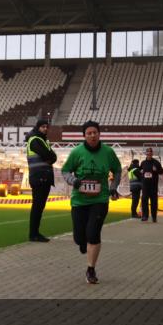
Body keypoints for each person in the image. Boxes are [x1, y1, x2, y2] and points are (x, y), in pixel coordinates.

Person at [61, 120, 122, 284]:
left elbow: (117, 170)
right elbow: (65, 170)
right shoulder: (77, 152)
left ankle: (91, 269)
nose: (93, 135)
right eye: (89, 133)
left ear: (99, 134)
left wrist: (113, 187)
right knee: (79, 237)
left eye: (95, 132)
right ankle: (82, 243)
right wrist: (73, 180)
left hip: (100, 200)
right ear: (84, 136)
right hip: (79, 201)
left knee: (93, 234)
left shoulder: (108, 152)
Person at [25, 118, 57, 242]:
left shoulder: (43, 140)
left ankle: (35, 233)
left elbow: (53, 157)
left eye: (46, 127)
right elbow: (48, 155)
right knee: (37, 207)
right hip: (39, 176)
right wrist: (50, 157)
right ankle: (33, 234)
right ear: (38, 127)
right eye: (43, 126)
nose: (45, 129)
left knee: (39, 207)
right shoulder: (35, 140)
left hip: (43, 177)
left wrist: (51, 157)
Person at [138, 147, 163, 223]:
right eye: (148, 152)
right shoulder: (143, 163)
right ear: (146, 153)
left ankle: (154, 217)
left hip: (153, 186)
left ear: (152, 153)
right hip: (145, 186)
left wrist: (156, 170)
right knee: (144, 201)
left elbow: (161, 172)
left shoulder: (156, 162)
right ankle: (145, 216)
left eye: (150, 152)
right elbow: (139, 171)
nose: (149, 153)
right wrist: (141, 172)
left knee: (154, 202)